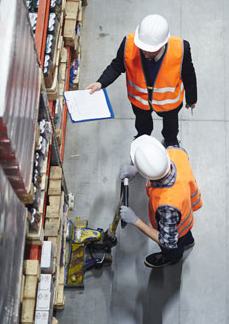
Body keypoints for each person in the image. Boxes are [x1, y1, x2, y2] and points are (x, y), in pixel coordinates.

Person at [86, 14, 197, 147]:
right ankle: (142, 141)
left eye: (150, 51)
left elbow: (188, 75)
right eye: (143, 48)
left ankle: (171, 141)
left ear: (163, 44)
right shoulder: (128, 44)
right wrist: (101, 83)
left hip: (169, 104)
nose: (145, 53)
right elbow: (117, 66)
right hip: (140, 101)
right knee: (143, 126)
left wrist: (191, 99)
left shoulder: (181, 49)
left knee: (171, 127)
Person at [118, 135, 202, 268]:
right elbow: (160, 169)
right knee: (186, 235)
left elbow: (168, 241)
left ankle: (172, 258)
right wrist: (138, 170)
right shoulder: (176, 151)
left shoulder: (167, 206)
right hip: (186, 215)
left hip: (176, 229)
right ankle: (188, 241)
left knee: (173, 248)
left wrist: (135, 220)